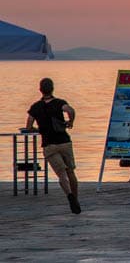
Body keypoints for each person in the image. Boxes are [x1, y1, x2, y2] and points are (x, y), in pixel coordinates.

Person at [25, 78, 80, 214]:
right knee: (70, 171)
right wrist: (70, 122)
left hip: (49, 144)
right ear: (52, 88)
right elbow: (71, 110)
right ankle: (76, 199)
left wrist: (36, 129)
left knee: (61, 174)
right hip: (64, 142)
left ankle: (69, 195)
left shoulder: (36, 107)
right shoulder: (60, 103)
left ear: (40, 89)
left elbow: (29, 125)